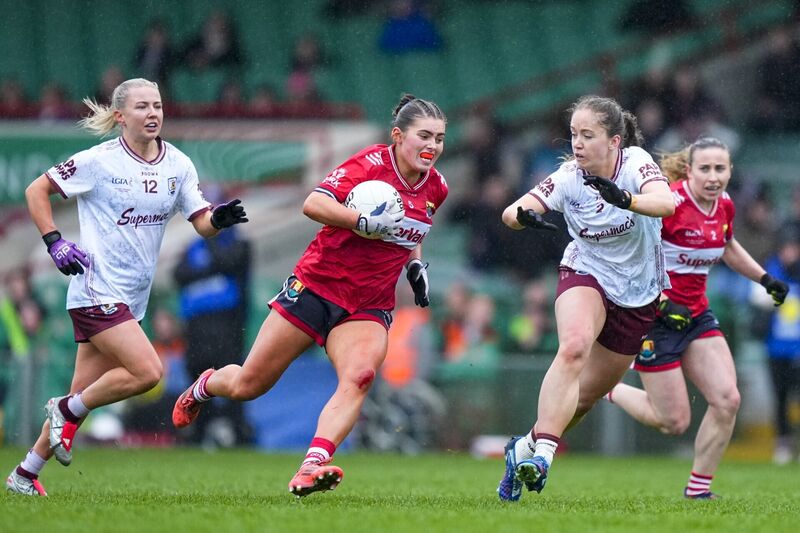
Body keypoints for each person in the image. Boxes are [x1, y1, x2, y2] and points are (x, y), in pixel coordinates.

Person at [172, 93, 448, 498]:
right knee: (249, 384)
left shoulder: (437, 187)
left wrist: (414, 266)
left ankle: (311, 466)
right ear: (397, 136)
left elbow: (411, 228)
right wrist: (359, 220)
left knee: (360, 376)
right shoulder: (369, 164)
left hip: (368, 304)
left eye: (439, 138)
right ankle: (205, 385)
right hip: (316, 287)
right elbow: (314, 203)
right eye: (424, 136)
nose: (433, 146)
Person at [4, 78, 248, 497]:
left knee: (81, 396)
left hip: (131, 298)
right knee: (148, 372)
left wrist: (218, 220)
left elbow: (202, 222)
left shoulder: (178, 165)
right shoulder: (99, 161)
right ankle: (64, 409)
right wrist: (54, 242)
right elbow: (36, 190)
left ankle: (25, 474)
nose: (153, 113)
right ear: (120, 116)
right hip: (95, 289)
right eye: (142, 107)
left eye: (157, 105)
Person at [496, 95, 675, 502]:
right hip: (586, 272)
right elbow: (511, 212)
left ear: (614, 141)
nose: (577, 142)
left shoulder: (635, 163)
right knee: (573, 347)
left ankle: (522, 450)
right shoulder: (568, 177)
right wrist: (523, 217)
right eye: (574, 134)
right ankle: (543, 458)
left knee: (583, 398)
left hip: (639, 295)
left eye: (588, 135)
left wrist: (625, 199)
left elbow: (666, 203)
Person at [605, 137, 789, 498]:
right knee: (673, 422)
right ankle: (608, 390)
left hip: (696, 316)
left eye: (720, 168)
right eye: (705, 168)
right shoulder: (669, 204)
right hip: (654, 319)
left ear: (730, 171)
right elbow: (632, 257)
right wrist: (662, 303)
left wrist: (765, 279)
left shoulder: (725, 205)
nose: (713, 176)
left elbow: (728, 245)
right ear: (689, 170)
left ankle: (699, 490)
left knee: (728, 399)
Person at [172, 199, 252, 448]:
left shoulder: (240, 244)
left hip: (227, 325)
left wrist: (211, 239)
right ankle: (198, 432)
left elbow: (227, 262)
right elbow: (179, 275)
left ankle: (238, 433)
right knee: (196, 375)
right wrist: (209, 265)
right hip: (196, 326)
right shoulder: (192, 247)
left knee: (232, 378)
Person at [758, 226, 800, 464]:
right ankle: (783, 443)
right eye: (786, 248)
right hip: (776, 348)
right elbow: (759, 305)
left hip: (798, 347)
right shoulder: (771, 272)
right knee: (780, 398)